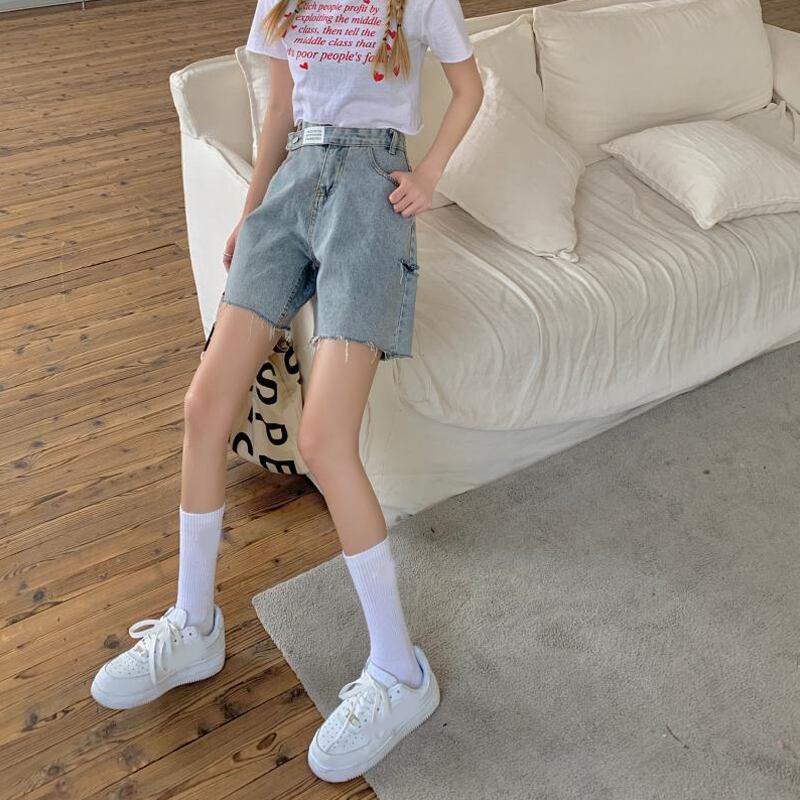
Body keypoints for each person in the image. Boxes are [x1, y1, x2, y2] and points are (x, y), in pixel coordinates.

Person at [90, 0, 483, 783]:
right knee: (204, 408)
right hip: (293, 182)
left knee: (323, 440)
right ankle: (194, 626)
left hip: (371, 191)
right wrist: (251, 215)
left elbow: (469, 87)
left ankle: (400, 673)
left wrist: (431, 174)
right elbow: (278, 108)